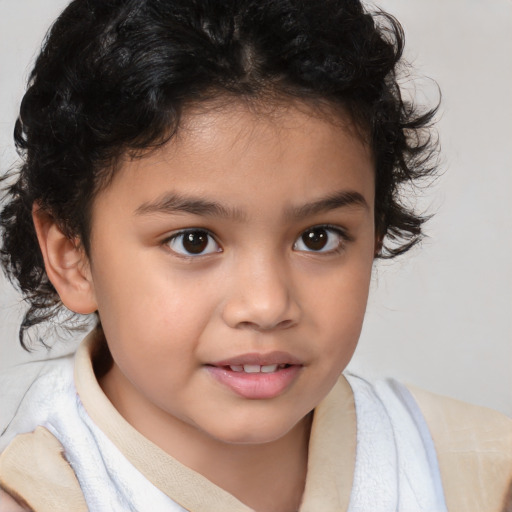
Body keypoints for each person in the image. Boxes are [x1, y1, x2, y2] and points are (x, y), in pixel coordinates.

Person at [0, 0, 510, 510]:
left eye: (318, 237)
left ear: (374, 232)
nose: (266, 305)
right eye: (193, 241)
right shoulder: (29, 491)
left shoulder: (480, 474)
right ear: (72, 255)